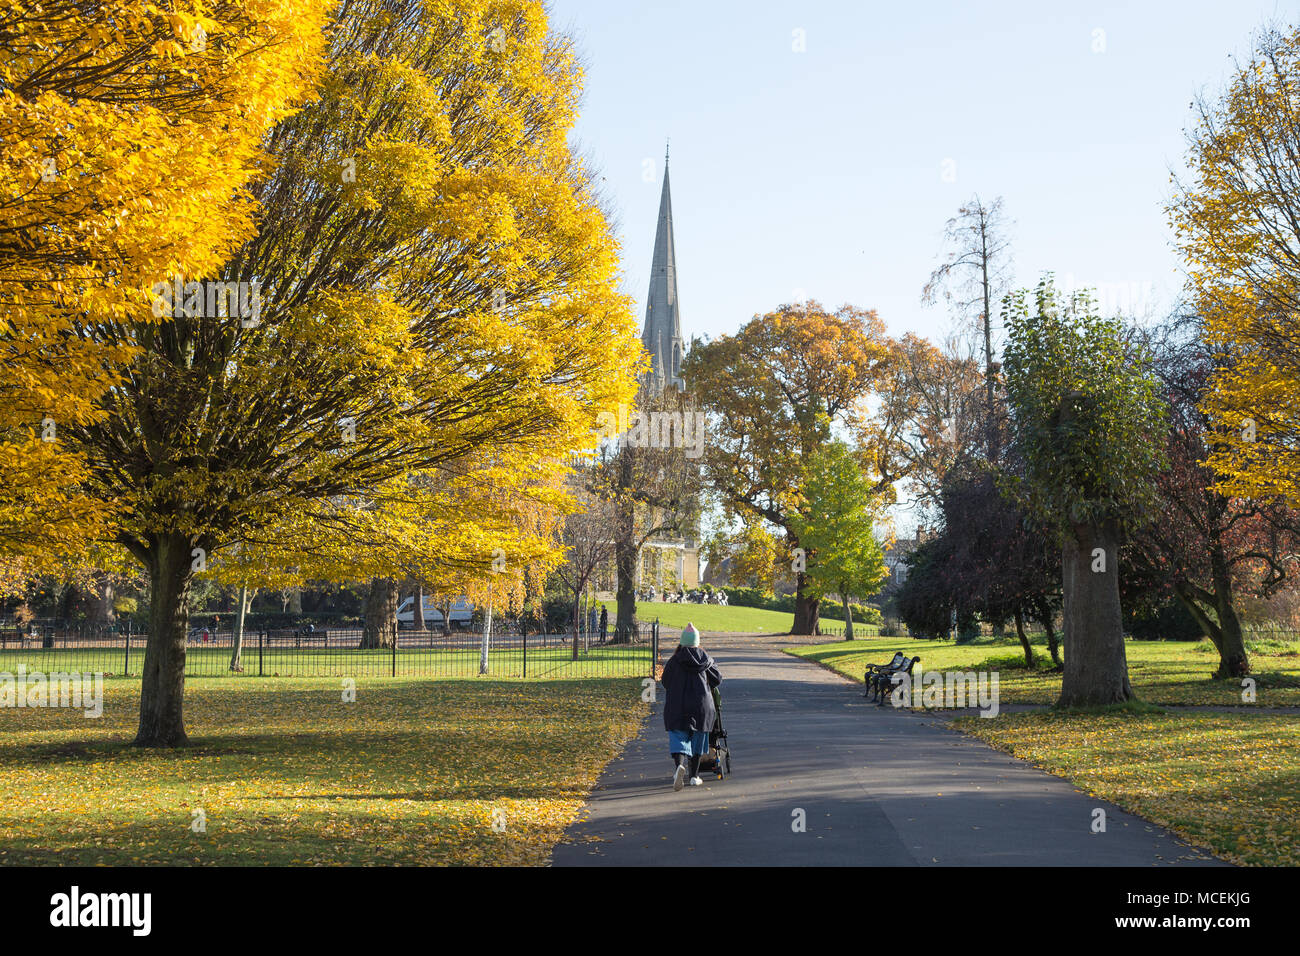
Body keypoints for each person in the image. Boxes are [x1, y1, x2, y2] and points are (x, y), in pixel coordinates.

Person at [659, 623, 721, 790]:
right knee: (698, 740)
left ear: (682, 642)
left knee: (678, 736)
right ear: (697, 642)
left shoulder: (674, 661)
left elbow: (665, 682)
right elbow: (717, 680)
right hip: (702, 706)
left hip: (678, 705)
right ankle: (694, 776)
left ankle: (678, 767)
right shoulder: (707, 660)